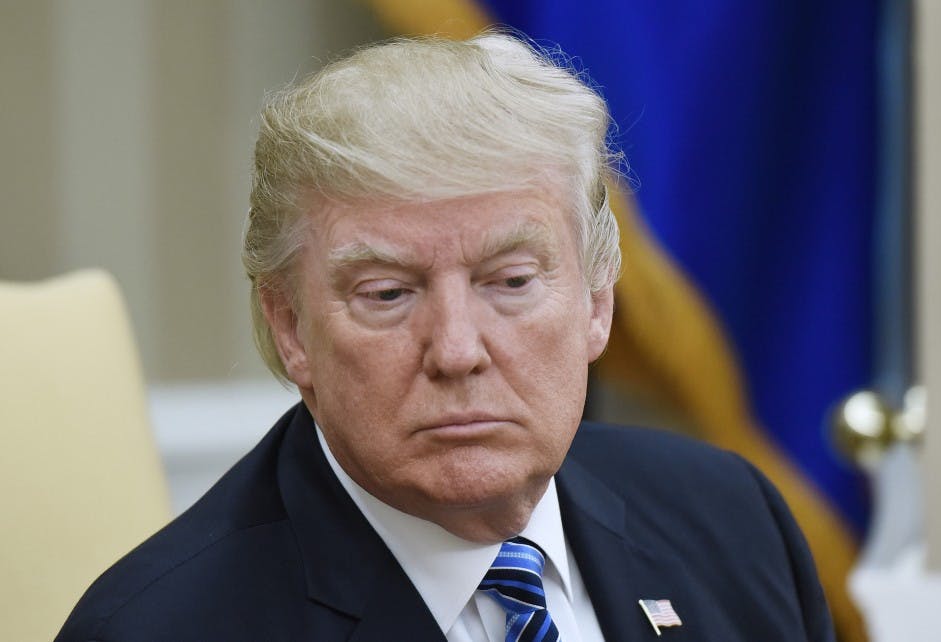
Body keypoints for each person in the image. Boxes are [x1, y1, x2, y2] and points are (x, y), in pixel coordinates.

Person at [57, 32, 833, 641]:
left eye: (511, 282)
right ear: (291, 328)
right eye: (389, 294)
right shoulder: (159, 628)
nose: (458, 350)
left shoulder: (734, 522)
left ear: (597, 301)